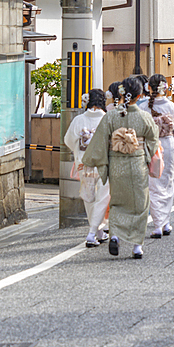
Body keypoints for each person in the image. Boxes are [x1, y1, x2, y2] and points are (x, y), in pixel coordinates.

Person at [83, 76, 160, 260]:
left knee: (117, 202)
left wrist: (100, 160)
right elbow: (153, 140)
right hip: (137, 163)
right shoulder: (144, 117)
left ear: (121, 93)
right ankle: (136, 247)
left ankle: (115, 235)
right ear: (140, 94)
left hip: (117, 164)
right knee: (140, 205)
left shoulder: (110, 116)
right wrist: (145, 154)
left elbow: (100, 141)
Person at [65, 88, 110, 248]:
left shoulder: (79, 120)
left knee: (89, 197)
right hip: (103, 164)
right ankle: (94, 231)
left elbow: (69, 140)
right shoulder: (107, 119)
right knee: (102, 198)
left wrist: (78, 153)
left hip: (84, 164)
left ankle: (96, 231)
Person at [145, 74, 174, 238]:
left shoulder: (144, 106)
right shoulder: (171, 106)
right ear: (166, 87)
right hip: (168, 146)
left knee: (153, 184)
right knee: (168, 183)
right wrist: (173, 142)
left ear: (149, 88)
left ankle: (157, 224)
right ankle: (166, 222)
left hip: (151, 146)